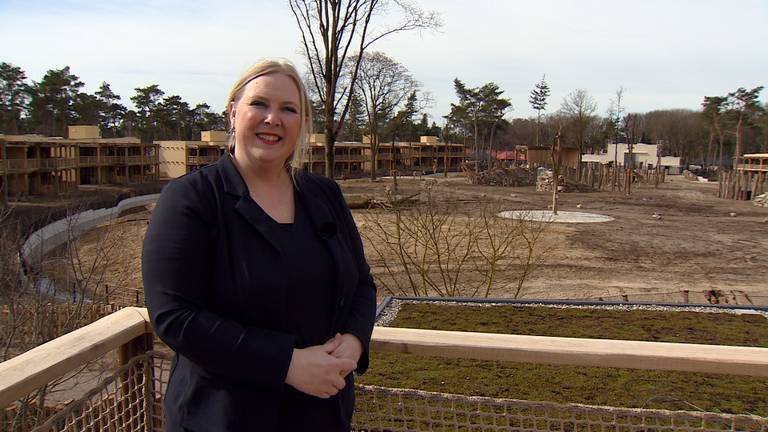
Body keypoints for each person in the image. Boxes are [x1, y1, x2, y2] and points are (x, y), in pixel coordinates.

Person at [142, 59, 377, 431]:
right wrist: (287, 364)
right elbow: (175, 316)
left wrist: (354, 339)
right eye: (260, 105)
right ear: (234, 113)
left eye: (288, 109)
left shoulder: (324, 196)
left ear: (301, 125)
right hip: (224, 417)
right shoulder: (191, 199)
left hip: (321, 414)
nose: (273, 119)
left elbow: (361, 282)